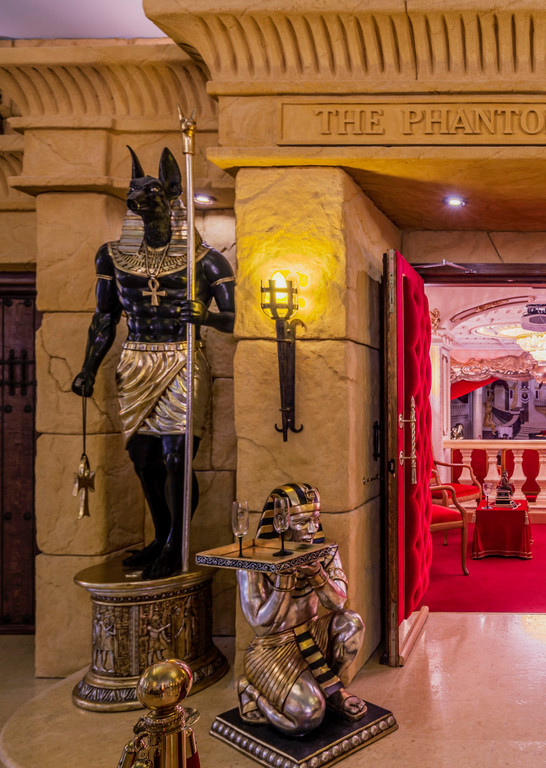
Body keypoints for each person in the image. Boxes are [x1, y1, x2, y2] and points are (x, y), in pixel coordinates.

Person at [71, 147, 235, 580]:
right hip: (136, 359)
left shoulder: (206, 260)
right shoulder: (112, 256)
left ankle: (177, 544)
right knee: (143, 458)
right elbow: (105, 317)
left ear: (172, 195)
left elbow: (235, 319)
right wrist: (89, 367)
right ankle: (162, 536)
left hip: (182, 358)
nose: (141, 201)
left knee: (176, 457)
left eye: (152, 193)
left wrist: (205, 317)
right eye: (136, 194)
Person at [236, 483, 366, 736]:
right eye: (302, 522)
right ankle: (251, 693)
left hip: (312, 634)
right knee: (307, 718)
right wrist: (284, 581)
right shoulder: (251, 561)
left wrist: (317, 574)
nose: (312, 529)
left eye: (315, 519)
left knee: (351, 623)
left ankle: (331, 691)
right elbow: (260, 625)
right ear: (280, 523)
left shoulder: (325, 550)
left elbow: (338, 603)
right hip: (271, 649)